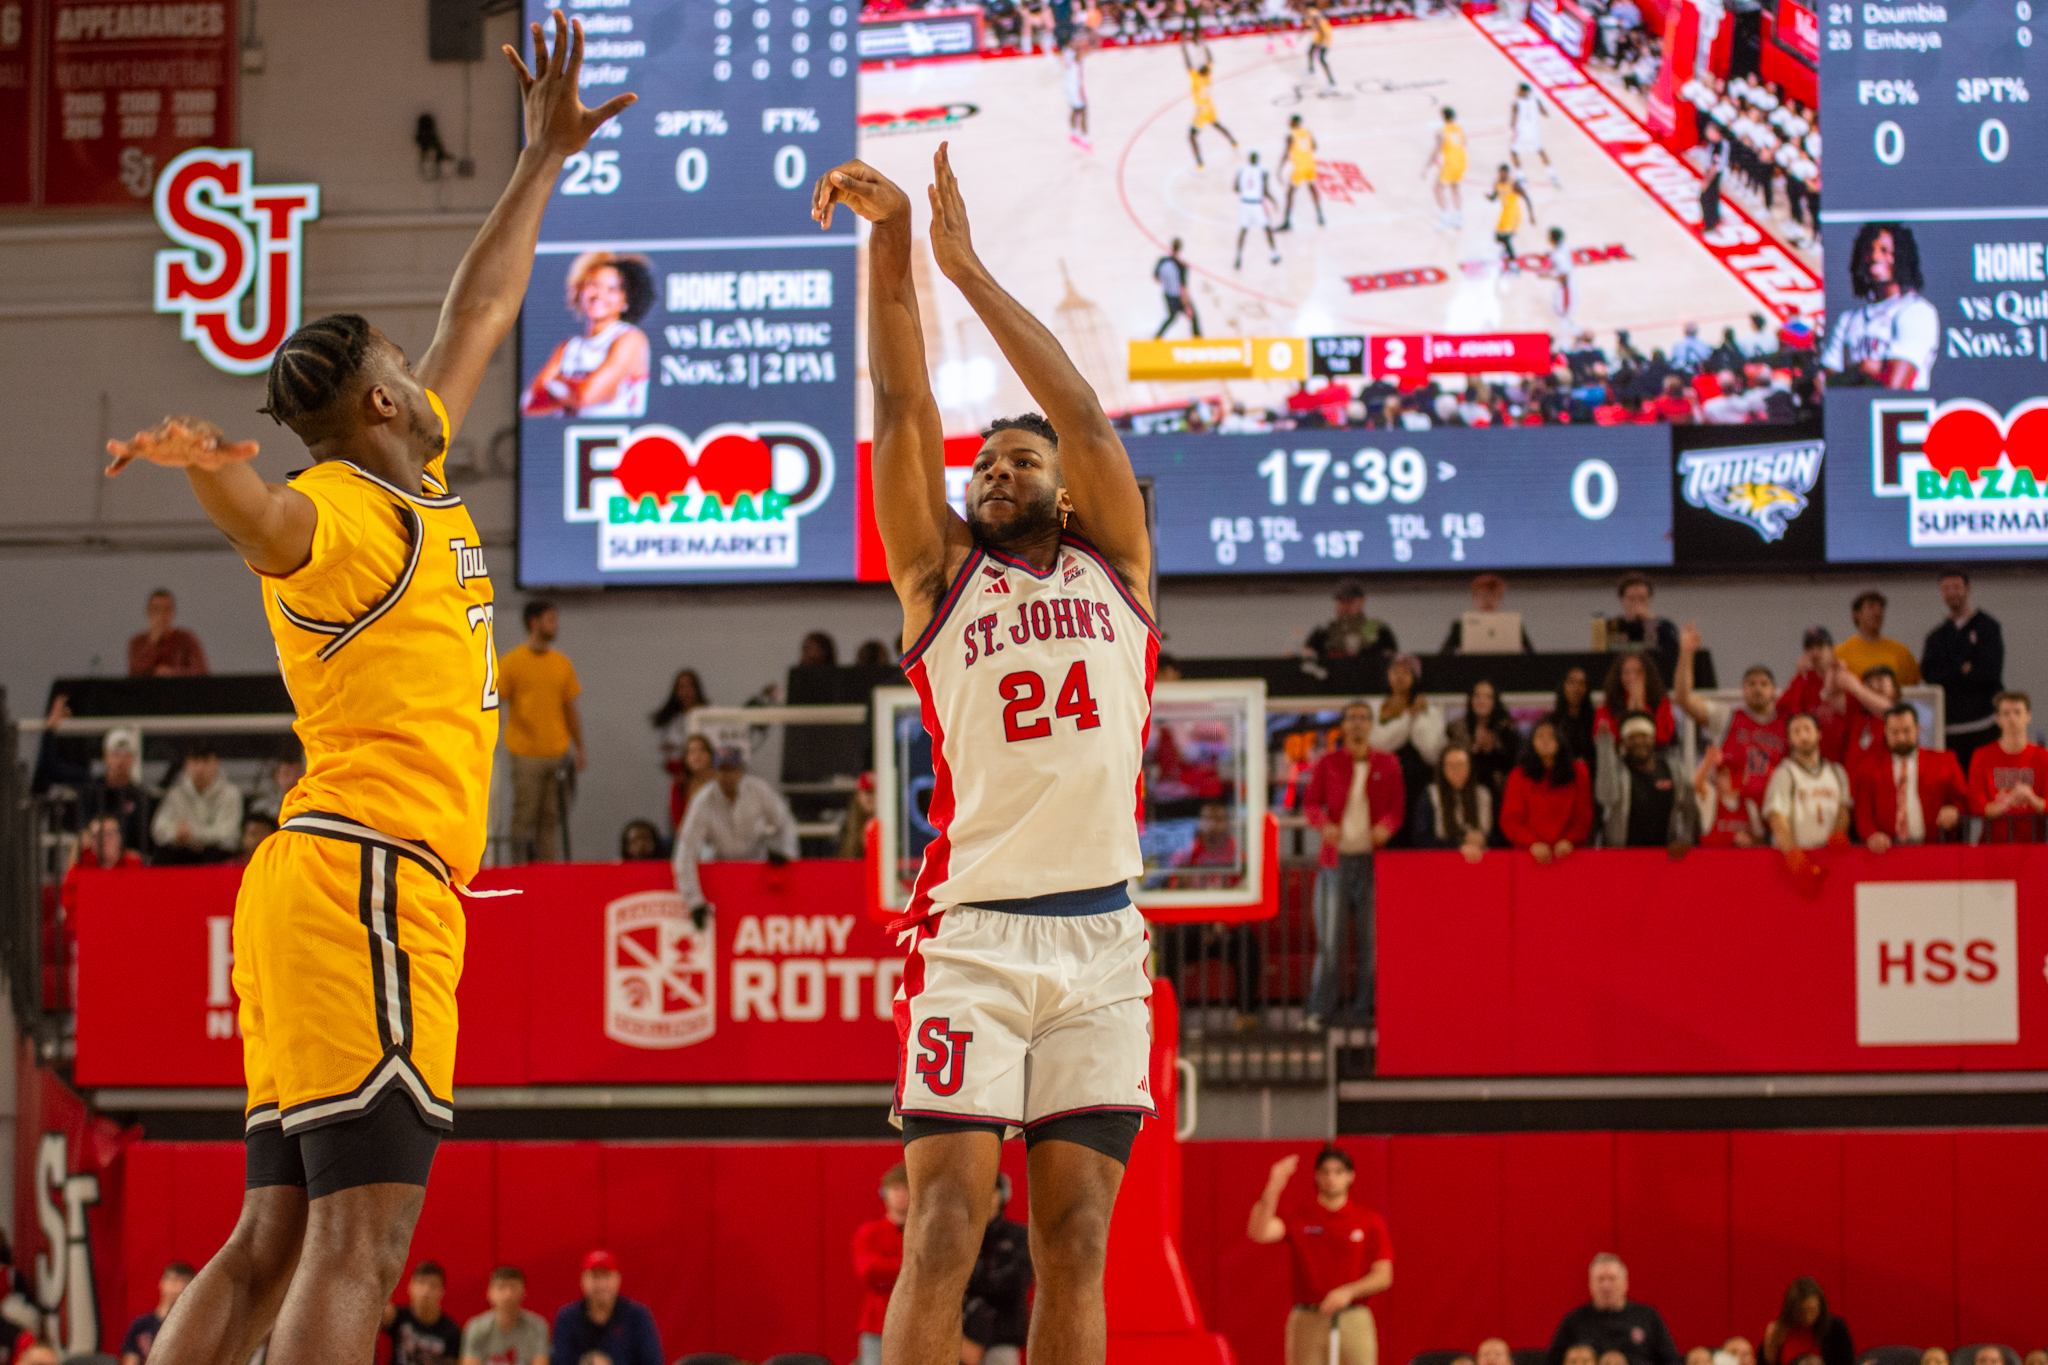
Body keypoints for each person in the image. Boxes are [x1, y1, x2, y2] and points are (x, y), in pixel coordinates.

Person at [100, 20, 631, 1365]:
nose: (427, 361)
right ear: (386, 398)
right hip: (369, 884)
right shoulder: (343, 510)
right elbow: (266, 522)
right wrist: (208, 471)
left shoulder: (413, 470)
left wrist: (540, 160)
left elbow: (486, 308)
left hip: (320, 884)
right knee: (362, 1247)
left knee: (270, 1240)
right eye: (408, 361)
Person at [812, 143, 1160, 1365]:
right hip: (972, 937)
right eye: (984, 462)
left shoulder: (1115, 564)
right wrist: (898, 241)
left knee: (1073, 1245)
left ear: (1068, 493)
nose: (995, 466)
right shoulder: (937, 579)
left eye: (1020, 460)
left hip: (1104, 944)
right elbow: (902, 404)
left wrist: (971, 267)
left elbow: (1077, 407)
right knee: (946, 1226)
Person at [1301, 702, 1404, 1030]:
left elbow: (1396, 806)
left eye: (1363, 718)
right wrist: (1323, 824)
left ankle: (1366, 1011)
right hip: (1335, 861)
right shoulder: (1329, 763)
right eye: (1351, 718)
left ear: (1372, 725)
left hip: (1371, 860)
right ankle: (1321, 1011)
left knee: (1370, 941)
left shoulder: (1387, 763)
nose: (1357, 724)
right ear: (1343, 726)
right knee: (1330, 942)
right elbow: (1311, 803)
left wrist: (1387, 825)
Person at [1246, 1149, 1394, 1365]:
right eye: (1325, 1172)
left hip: (1353, 1316)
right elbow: (1259, 1232)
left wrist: (1348, 1291)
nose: (1331, 1179)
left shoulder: (1369, 1221)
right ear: (1316, 1176)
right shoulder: (1298, 1216)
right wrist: (1274, 1186)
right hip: (1308, 1316)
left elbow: (1383, 1276)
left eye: (1338, 1172)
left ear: (1350, 1176)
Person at [500, 598, 585, 863]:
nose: (555, 625)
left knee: (550, 819)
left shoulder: (561, 664)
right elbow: (494, 703)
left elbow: (570, 708)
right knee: (524, 816)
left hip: (557, 751)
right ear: (533, 622)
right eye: (550, 619)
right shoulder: (512, 662)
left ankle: (547, 872)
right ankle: (518, 872)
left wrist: (579, 746)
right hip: (525, 752)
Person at [520, 250, 653, 417]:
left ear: (625, 301)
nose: (599, 294)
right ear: (580, 290)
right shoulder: (568, 347)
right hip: (567, 439)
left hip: (618, 439)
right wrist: (576, 388)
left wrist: (556, 383)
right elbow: (528, 403)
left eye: (612, 289)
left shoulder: (630, 339)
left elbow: (586, 395)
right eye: (592, 284)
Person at [673, 747, 799, 918]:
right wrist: (693, 901)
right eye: (721, 770)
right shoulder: (702, 801)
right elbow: (686, 849)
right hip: (719, 871)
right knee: (727, 923)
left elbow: (785, 822)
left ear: (741, 770)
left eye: (731, 769)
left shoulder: (758, 790)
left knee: (761, 919)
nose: (726, 776)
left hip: (757, 869)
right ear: (713, 772)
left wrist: (784, 851)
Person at [1673, 625, 1786, 805]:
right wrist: (1686, 654)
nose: (1757, 688)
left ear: (1774, 691)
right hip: (1731, 810)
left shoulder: (1786, 724)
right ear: (1743, 689)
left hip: (1772, 809)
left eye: (1764, 684)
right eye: (1752, 683)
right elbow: (1683, 698)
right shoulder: (1727, 717)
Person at [1822, 223, 1938, 390]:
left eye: (1885, 250)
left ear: (1901, 256)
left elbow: (1895, 385)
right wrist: (1865, 369)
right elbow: (1826, 384)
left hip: (1896, 414)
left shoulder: (1916, 311)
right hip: (1849, 413)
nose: (1875, 257)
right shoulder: (1848, 319)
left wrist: (1851, 374)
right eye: (1870, 250)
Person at [34, 705, 153, 855]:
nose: (120, 760)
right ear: (106, 755)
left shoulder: (140, 797)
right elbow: (51, 767)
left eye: (126, 755)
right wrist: (50, 730)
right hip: (91, 859)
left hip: (126, 865)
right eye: (116, 754)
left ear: (133, 759)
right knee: (79, 843)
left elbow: (144, 843)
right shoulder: (90, 786)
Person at [1921, 566, 2004, 769]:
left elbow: (1990, 672)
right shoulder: (1936, 637)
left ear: (1968, 589)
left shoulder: (1988, 627)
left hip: (1984, 725)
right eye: (1946, 588)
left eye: (1957, 587)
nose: (1952, 593)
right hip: (1950, 730)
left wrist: (1952, 671)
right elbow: (1930, 675)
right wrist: (1961, 669)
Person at [1853, 705, 1965, 851]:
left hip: (1934, 848)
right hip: (1886, 851)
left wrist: (1954, 811)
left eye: (1906, 731)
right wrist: (1871, 835)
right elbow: (1862, 811)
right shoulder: (1868, 767)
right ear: (1885, 731)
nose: (1901, 738)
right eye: (1895, 732)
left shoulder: (1944, 761)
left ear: (1918, 729)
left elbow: (1962, 800)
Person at [1545, 1254, 1679, 1365]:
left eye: (1612, 1279)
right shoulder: (1574, 1321)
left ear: (1625, 1283)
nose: (1606, 1286)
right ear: (1590, 1285)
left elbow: (1672, 1361)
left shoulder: (1648, 1317)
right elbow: (1553, 1362)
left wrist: (1628, 1362)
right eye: (1600, 1279)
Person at [1594, 712, 1695, 851]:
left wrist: (1684, 840)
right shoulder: (1619, 771)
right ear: (1624, 742)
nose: (1638, 741)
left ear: (1653, 738)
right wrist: (1605, 747)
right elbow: (1606, 797)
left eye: (1644, 735)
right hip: (1623, 856)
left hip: (1665, 857)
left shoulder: (1673, 770)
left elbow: (1689, 810)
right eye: (1631, 737)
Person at [962, 1173, 1032, 1365]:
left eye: (992, 1190)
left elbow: (1018, 1281)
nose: (986, 1196)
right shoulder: (964, 1236)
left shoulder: (1019, 1235)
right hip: (964, 1336)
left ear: (1002, 1195)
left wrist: (978, 1285)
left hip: (1004, 1335)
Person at [1501, 718, 1594, 862]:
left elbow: (1583, 816)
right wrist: (1532, 843)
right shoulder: (1518, 776)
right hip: (1528, 856)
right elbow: (1511, 820)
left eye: (1550, 735)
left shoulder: (1578, 773)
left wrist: (1570, 840)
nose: (1545, 740)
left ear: (1560, 740)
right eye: (1539, 736)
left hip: (1570, 854)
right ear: (1531, 741)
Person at [549, 1251, 661, 1365]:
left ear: (618, 1279)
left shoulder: (638, 1316)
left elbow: (653, 1361)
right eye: (595, 1276)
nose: (601, 1284)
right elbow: (559, 1361)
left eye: (606, 1276)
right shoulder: (567, 1318)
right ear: (582, 1280)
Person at [1763, 713, 1852, 852]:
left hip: (1830, 854)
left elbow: (1844, 809)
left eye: (1807, 729)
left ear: (1818, 733)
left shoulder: (1837, 772)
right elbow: (1777, 818)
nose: (1803, 736)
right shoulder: (1784, 773)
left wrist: (1838, 834)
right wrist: (1794, 855)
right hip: (1800, 853)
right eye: (1796, 731)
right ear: (1789, 739)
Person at [1967, 691, 2048, 843]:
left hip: (2033, 848)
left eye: (2017, 712)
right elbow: (1976, 806)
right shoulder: (1982, 756)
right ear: (1998, 720)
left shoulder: (2042, 757)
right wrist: (2007, 803)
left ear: (2028, 716)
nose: (2012, 718)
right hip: (1992, 846)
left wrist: (2032, 799)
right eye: (2006, 713)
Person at [1372, 654, 1445, 814]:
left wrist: (1418, 716)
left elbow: (1432, 752)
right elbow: (1379, 745)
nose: (1400, 677)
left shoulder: (1430, 709)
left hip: (1420, 785)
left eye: (1406, 672)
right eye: (1395, 672)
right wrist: (1408, 716)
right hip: (1384, 783)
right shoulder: (1375, 707)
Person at [149, 744, 244, 865]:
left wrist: (193, 833)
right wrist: (176, 832)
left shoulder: (230, 794)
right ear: (187, 764)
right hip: (181, 853)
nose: (200, 768)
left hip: (215, 855)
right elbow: (158, 829)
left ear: (216, 763)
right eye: (195, 762)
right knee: (162, 856)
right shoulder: (176, 792)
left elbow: (228, 834)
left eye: (205, 762)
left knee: (215, 854)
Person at [853, 1165, 910, 1365]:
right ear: (884, 1193)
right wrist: (910, 1267)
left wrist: (890, 1269)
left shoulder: (924, 1235)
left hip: (915, 1324)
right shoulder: (870, 1232)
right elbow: (869, 1272)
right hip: (878, 1324)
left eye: (907, 1189)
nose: (902, 1195)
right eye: (896, 1189)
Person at [651, 669, 709, 828]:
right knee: (679, 826)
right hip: (679, 781)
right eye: (681, 687)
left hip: (703, 779)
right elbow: (663, 755)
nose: (686, 692)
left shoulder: (708, 717)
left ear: (697, 690)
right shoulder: (670, 722)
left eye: (690, 686)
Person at [1414, 745, 1491, 862]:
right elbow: (1421, 839)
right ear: (1442, 768)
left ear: (1470, 766)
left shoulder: (1483, 794)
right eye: (1450, 765)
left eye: (1461, 764)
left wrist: (1483, 839)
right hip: (1440, 861)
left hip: (1479, 860)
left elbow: (1498, 837)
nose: (1456, 770)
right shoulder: (1430, 795)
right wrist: (1457, 847)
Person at [1445, 680, 1519, 800]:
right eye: (1477, 696)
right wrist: (1473, 749)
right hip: (1465, 791)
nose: (1482, 701)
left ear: (1495, 701)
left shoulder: (1507, 728)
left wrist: (1492, 750)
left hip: (1500, 792)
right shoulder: (1457, 727)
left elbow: (1514, 765)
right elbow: (1450, 762)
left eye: (1488, 697)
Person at [461, 1265, 549, 1365]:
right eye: (501, 1287)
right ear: (489, 1293)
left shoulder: (537, 1326)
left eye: (513, 1287)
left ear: (524, 1292)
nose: (508, 1294)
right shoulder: (476, 1327)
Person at [384, 1261, 463, 1365]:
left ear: (442, 1291)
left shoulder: (452, 1332)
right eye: (421, 1282)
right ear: (410, 1286)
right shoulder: (397, 1316)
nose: (426, 1290)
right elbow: (377, 1318)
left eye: (433, 1285)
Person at [1603, 573, 1680, 680]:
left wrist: (1649, 623)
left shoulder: (1664, 626)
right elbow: (1611, 658)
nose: (1637, 604)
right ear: (1622, 599)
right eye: (1631, 599)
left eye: (1642, 598)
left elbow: (1669, 656)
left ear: (1650, 599)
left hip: (1657, 678)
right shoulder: (1613, 626)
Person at [1759, 1277, 1852, 1365]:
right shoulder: (1779, 1330)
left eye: (1812, 1310)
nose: (1808, 1317)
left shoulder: (1835, 1328)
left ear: (1821, 1307)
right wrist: (1770, 1347)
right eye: (1802, 1312)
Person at [1836, 591, 1920, 685]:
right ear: (1856, 614)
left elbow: (1914, 688)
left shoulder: (1900, 651)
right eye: (1871, 606)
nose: (1877, 612)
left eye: (1881, 607)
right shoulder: (1841, 653)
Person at [1595, 653, 1675, 749]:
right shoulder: (1606, 707)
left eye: (1638, 672)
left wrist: (1641, 707)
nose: (1632, 677)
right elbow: (1604, 738)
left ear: (1647, 675)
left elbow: (1663, 737)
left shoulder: (1662, 703)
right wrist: (1630, 710)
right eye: (1626, 673)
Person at [119, 1262, 194, 1364]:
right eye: (173, 1279)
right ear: (161, 1283)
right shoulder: (141, 1325)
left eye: (184, 1282)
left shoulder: (194, 1326)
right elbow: (130, 1359)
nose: (177, 1286)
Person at [1439, 573, 1535, 653]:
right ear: (1474, 599)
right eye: (1483, 595)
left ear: (1501, 599)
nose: (1488, 601)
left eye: (1493, 595)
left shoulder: (1514, 626)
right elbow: (1444, 657)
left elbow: (1531, 656)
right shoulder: (1460, 628)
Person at [1306, 579, 1397, 663]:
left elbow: (1391, 659)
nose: (1345, 606)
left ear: (1361, 602)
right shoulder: (1323, 632)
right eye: (1341, 601)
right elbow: (1308, 658)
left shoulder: (1378, 630)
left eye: (1349, 601)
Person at [129, 588, 210, 676]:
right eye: (156, 609)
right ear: (149, 613)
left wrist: (172, 673)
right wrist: (154, 641)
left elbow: (201, 671)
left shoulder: (186, 639)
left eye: (167, 609)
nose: (162, 615)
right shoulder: (137, 642)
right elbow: (135, 672)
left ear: (173, 613)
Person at [1694, 745, 1763, 847]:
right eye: (1720, 773)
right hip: (1713, 862)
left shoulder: (1749, 806)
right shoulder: (1712, 798)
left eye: (1726, 773)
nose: (1721, 778)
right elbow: (1697, 784)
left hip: (1740, 862)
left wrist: (1749, 840)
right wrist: (1707, 762)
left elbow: (1760, 841)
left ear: (1744, 776)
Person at [1183, 38, 1238, 167]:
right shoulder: (1208, 77)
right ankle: (1234, 141)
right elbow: (1210, 60)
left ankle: (1199, 162)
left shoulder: (1196, 77)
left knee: (1191, 137)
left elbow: (1189, 64)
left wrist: (1185, 50)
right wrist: (1204, 45)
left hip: (1202, 111)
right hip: (1210, 108)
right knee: (1216, 125)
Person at [1234, 150, 1282, 269]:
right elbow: (1265, 191)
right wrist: (1274, 201)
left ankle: (1238, 257)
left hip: (1244, 203)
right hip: (1256, 204)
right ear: (1258, 160)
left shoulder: (1241, 171)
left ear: (1248, 160)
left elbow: (1235, 188)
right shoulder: (1263, 172)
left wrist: (1246, 191)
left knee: (1243, 231)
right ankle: (1274, 255)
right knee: (1267, 229)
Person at [1509, 82, 1559, 186]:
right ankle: (1552, 176)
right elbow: (1545, 113)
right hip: (1534, 133)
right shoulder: (1536, 101)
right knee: (1541, 152)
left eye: (1519, 90)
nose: (1517, 92)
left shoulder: (1516, 104)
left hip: (1522, 133)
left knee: (1514, 152)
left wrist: (1513, 131)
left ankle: (1521, 178)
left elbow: (1512, 123)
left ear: (1523, 92)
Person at [1280, 114, 1325, 231]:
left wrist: (1279, 168)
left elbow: (1286, 153)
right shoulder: (1307, 132)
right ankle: (1320, 216)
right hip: (1310, 165)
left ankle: (1287, 222)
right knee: (1312, 190)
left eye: (1290, 121)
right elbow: (1315, 147)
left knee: (1290, 194)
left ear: (1294, 123)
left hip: (1300, 167)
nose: (1289, 123)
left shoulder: (1290, 136)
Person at [1486, 164, 1535, 269]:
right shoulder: (1497, 183)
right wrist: (1489, 197)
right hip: (1504, 212)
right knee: (1497, 237)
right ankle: (1507, 252)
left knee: (1506, 237)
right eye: (1500, 172)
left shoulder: (1513, 184)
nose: (1502, 175)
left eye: (1504, 173)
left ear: (1508, 173)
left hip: (1513, 212)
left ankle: (1513, 261)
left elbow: (1526, 198)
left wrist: (1531, 215)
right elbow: (1494, 197)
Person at [1426, 106, 1467, 227]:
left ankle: (1445, 218)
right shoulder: (1459, 129)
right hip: (1462, 162)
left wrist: (1427, 166)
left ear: (1443, 117)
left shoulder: (1442, 132)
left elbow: (1436, 150)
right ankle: (1459, 218)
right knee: (1455, 188)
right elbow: (1464, 143)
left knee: (1437, 189)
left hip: (1451, 163)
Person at [1153, 238, 1201, 339]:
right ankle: (1198, 341)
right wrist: (1187, 305)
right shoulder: (1182, 266)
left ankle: (1157, 337)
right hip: (1178, 298)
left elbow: (1156, 278)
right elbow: (1183, 289)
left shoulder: (1162, 261)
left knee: (1172, 317)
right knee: (1193, 318)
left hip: (1167, 296)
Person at [1549, 666, 1596, 764]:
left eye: (1581, 683)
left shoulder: (1595, 720)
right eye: (1571, 682)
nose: (1576, 688)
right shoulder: (1551, 722)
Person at [838, 771, 879, 860]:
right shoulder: (848, 823)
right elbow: (844, 856)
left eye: (874, 792)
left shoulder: (887, 821)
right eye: (867, 792)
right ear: (858, 795)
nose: (870, 797)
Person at [1698, 124, 1728, 232]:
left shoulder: (1718, 146)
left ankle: (1709, 223)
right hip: (1716, 173)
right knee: (1714, 196)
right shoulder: (1719, 143)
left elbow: (1714, 168)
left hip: (1714, 175)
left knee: (1705, 198)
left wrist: (1706, 181)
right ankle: (1716, 217)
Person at [1304, 2, 1336, 84]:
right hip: (1319, 35)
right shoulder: (1310, 12)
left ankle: (1331, 82)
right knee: (1310, 51)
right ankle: (1311, 70)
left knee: (1322, 59)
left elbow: (1320, 28)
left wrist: (1321, 43)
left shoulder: (1313, 14)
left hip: (1324, 36)